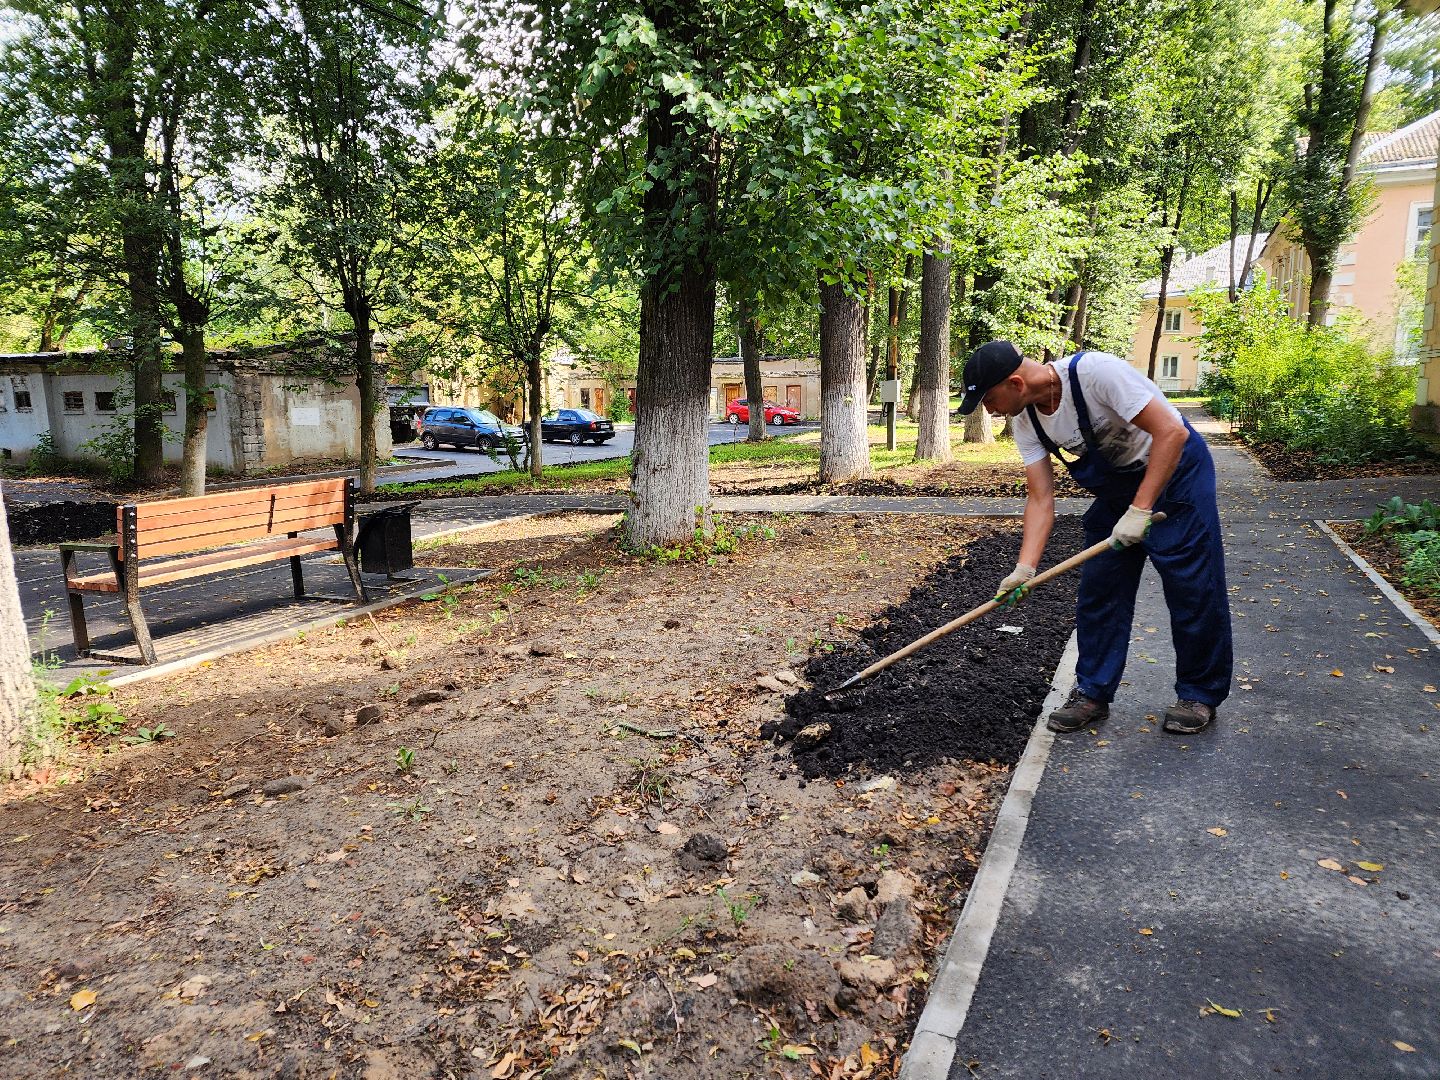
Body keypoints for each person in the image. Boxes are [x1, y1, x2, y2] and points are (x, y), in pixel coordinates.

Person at [957, 340, 1232, 735]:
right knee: (1100, 589)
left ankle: (1199, 693)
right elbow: (1040, 497)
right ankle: (1092, 691)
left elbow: (1172, 432)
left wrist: (1140, 511)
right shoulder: (1026, 421)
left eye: (988, 399)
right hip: (1118, 491)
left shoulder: (1097, 374)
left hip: (1179, 477)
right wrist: (1025, 567)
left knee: (1192, 587)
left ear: (1015, 383)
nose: (989, 410)